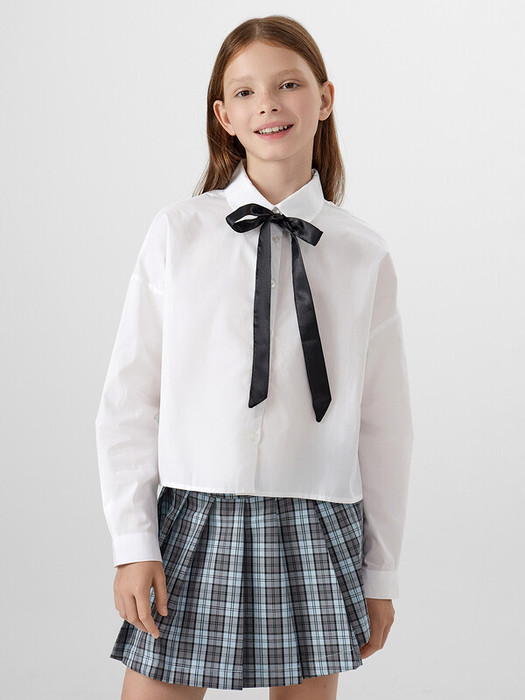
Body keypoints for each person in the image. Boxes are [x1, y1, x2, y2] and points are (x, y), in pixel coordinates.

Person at [95, 14, 414, 700]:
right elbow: (130, 398)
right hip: (194, 516)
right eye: (244, 92)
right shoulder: (179, 233)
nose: (267, 103)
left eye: (288, 84)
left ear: (324, 99)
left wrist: (380, 572)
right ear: (224, 117)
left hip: (317, 520)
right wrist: (133, 543)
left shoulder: (363, 253)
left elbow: (385, 426)